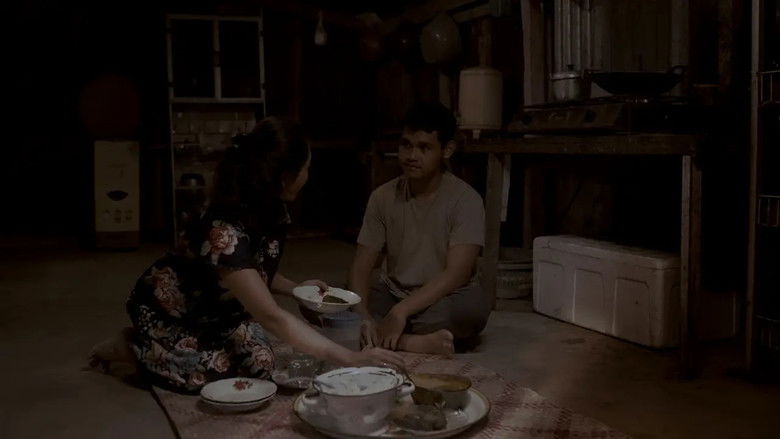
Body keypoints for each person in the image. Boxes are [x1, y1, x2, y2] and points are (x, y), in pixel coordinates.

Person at [93, 117, 402, 393]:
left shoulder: (270, 204)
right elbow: (272, 316)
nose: (308, 174)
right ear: (285, 176)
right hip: (175, 312)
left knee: (262, 365)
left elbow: (252, 269)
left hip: (221, 307)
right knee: (206, 375)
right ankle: (133, 345)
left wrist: (295, 288)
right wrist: (350, 357)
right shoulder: (224, 232)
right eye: (306, 168)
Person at [348, 102, 491, 355]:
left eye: (424, 148)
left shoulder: (466, 200)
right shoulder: (382, 197)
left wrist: (401, 311)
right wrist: (363, 318)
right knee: (342, 300)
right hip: (394, 292)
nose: (411, 156)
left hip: (443, 296)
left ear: (447, 150)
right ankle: (416, 342)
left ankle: (388, 336)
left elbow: (457, 274)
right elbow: (361, 267)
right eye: (406, 145)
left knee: (471, 309)